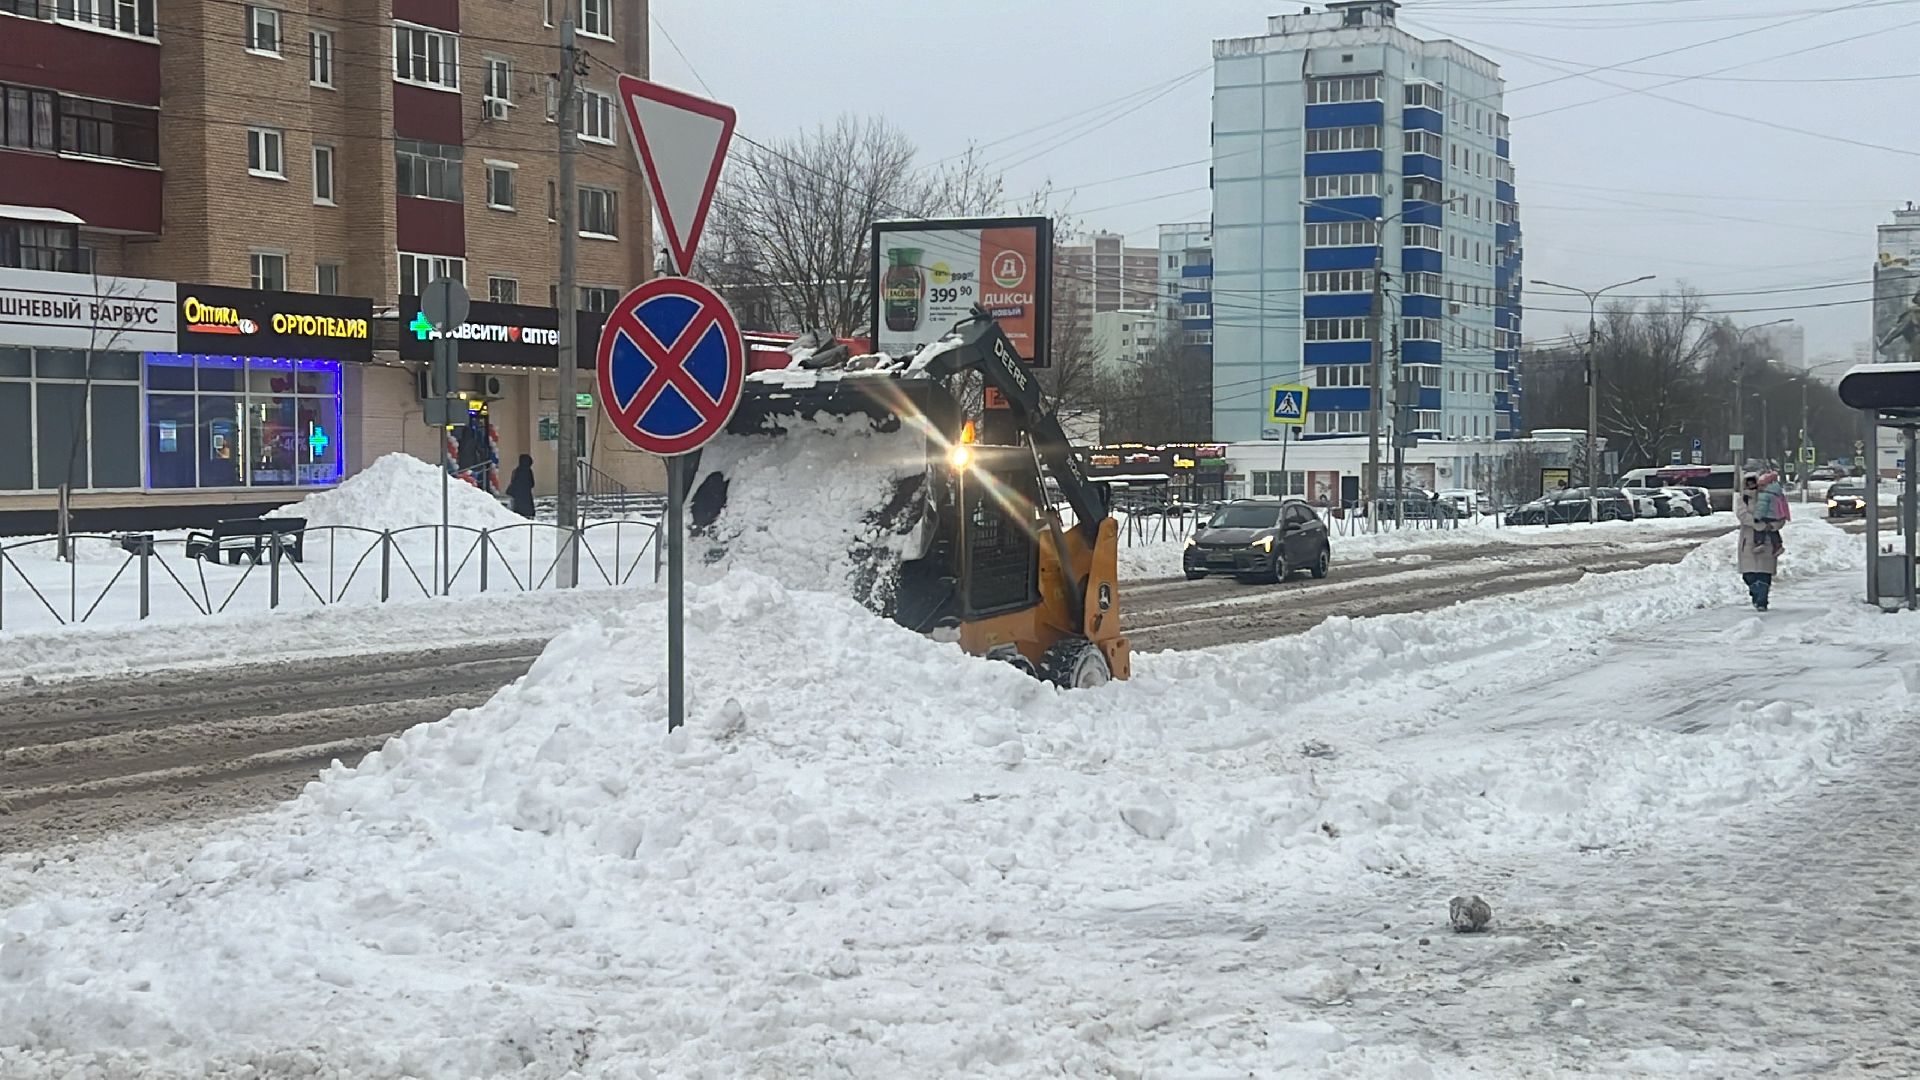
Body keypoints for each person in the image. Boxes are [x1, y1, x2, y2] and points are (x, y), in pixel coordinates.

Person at [1734, 471, 1781, 610]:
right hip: (1748, 540)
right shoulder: (1744, 499)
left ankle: (1762, 601)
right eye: (1748, 483)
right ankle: (1756, 594)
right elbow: (1742, 515)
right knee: (1748, 575)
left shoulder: (1770, 497)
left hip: (1768, 539)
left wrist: (1772, 526)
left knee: (1764, 574)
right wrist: (1758, 524)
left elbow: (1780, 516)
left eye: (1753, 483)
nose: (1751, 486)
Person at [506, 453, 536, 519]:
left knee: (518, 508)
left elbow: (513, 481)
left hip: (518, 495)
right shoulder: (529, 471)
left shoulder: (517, 470)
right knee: (527, 508)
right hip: (526, 494)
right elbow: (532, 483)